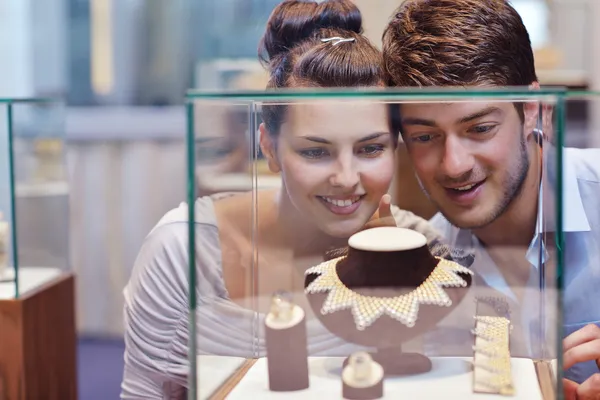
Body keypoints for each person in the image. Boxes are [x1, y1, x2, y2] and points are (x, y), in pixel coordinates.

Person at [120, 1, 465, 398]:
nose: (347, 179)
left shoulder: (425, 250)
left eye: (370, 149)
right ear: (269, 148)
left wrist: (393, 292)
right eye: (315, 152)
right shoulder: (184, 252)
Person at [382, 0, 600, 396]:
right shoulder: (430, 261)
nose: (454, 165)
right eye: (425, 136)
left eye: (480, 128)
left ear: (534, 109)